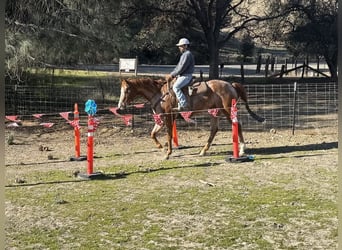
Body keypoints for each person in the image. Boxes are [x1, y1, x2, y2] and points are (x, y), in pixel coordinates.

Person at [165, 38, 195, 111]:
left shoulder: (187, 54)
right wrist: (172, 74)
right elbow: (178, 67)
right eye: (179, 46)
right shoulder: (185, 54)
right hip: (183, 75)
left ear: (185, 46)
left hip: (186, 76)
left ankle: (183, 104)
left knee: (176, 87)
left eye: (181, 46)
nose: (179, 47)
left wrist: (172, 75)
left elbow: (181, 67)